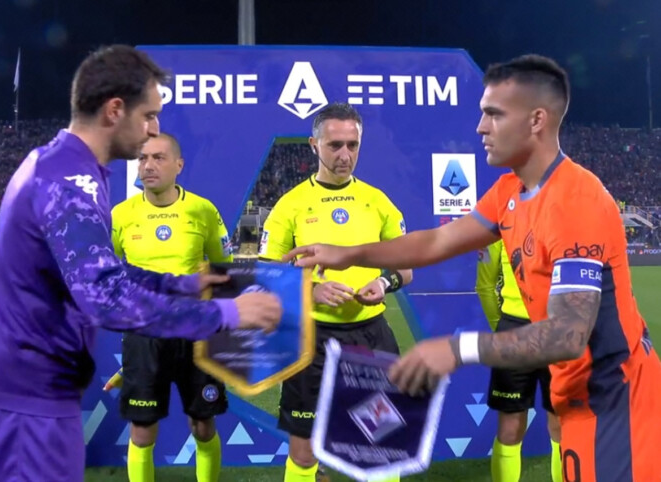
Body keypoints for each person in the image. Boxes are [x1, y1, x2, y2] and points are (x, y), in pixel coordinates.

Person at [286, 55, 661, 482]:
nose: (481, 127)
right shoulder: (509, 191)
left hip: (616, 400)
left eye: (494, 114)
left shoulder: (577, 202)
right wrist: (347, 254)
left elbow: (566, 335)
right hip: (576, 394)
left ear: (536, 120)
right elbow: (437, 242)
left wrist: (456, 350)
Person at [0, 45, 282, 482]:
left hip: (28, 389)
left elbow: (105, 269)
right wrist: (227, 313)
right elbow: (107, 298)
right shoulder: (70, 183)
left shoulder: (66, 167)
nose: (154, 128)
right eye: (149, 115)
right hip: (26, 396)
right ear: (115, 110)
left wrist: (182, 284)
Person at [259, 102, 413, 482]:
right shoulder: (290, 206)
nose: (345, 155)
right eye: (335, 145)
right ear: (314, 145)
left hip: (371, 336)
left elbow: (405, 268)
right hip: (311, 340)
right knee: (304, 450)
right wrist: (310, 289)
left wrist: (383, 283)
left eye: (352, 145)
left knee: (382, 440)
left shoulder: (377, 202)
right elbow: (265, 274)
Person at [104, 133, 232, 482]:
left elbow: (223, 271)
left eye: (158, 158)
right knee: (142, 428)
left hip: (196, 334)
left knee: (203, 424)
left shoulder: (203, 211)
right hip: (144, 336)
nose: (148, 166)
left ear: (179, 165)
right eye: (143, 158)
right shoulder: (121, 215)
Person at [476, 240, 561, 482]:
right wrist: (502, 330)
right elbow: (484, 285)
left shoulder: (563, 223)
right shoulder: (497, 229)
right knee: (510, 427)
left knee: (561, 425)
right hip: (513, 330)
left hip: (557, 330)